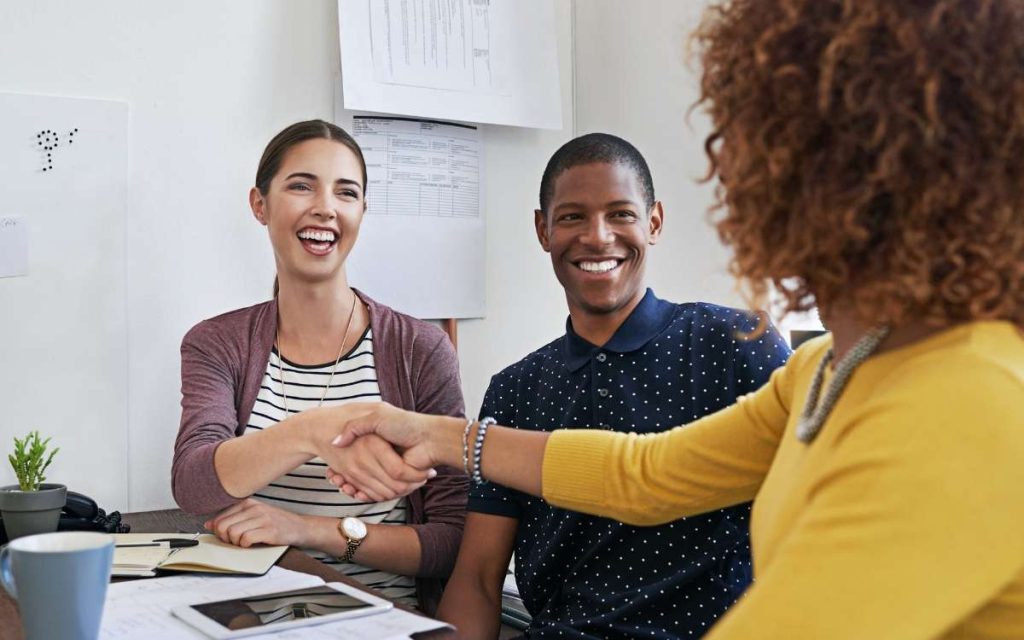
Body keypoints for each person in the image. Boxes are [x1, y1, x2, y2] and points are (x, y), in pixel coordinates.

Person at [324, 0, 1024, 637]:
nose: (737, 169)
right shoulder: (827, 366)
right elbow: (646, 476)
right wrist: (432, 433)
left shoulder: (971, 395)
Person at [433, 133, 790, 639]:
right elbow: (478, 580)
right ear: (543, 230)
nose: (598, 237)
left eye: (621, 214)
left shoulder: (735, 344)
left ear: (655, 222)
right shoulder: (515, 390)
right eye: (573, 216)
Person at [171, 119, 467, 613]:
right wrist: (315, 430)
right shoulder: (215, 344)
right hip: (248, 617)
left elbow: (450, 542)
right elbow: (194, 485)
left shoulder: (420, 349)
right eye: (301, 185)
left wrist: (309, 531)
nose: (325, 207)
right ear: (259, 205)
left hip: (378, 619)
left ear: (362, 212)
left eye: (346, 192)